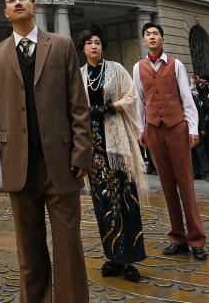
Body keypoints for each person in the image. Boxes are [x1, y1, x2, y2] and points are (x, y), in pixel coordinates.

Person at [0, 0, 91, 303]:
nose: (17, 3)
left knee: (68, 244)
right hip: (18, 162)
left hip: (61, 162)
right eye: (11, 0)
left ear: (34, 6)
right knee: (28, 248)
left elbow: (78, 105)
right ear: (5, 12)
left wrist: (82, 153)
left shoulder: (62, 45)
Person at [133, 22, 207, 259]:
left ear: (162, 39)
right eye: (148, 34)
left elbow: (187, 98)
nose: (152, 37)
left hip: (177, 127)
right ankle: (177, 238)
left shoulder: (176, 65)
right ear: (144, 40)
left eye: (155, 34)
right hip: (154, 129)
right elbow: (140, 101)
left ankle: (197, 240)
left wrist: (193, 129)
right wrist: (141, 129)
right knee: (166, 185)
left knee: (185, 183)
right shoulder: (138, 67)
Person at [78, 24, 147, 281]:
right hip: (94, 145)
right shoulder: (80, 74)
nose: (93, 46)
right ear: (83, 48)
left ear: (102, 46)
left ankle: (130, 259)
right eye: (89, 43)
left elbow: (132, 96)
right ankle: (112, 257)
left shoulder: (116, 68)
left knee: (126, 198)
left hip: (118, 143)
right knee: (103, 201)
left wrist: (110, 107)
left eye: (97, 42)